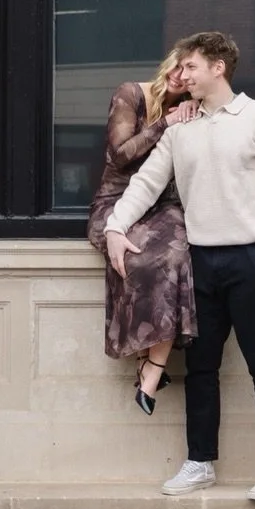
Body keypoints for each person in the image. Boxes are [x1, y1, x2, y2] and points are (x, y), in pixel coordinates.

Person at [105, 30, 255, 502]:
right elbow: (146, 183)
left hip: (252, 260)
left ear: (218, 67)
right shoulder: (180, 128)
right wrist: (115, 226)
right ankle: (199, 463)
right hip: (199, 261)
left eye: (191, 66)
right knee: (201, 369)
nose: (182, 75)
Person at [86, 46, 199, 413]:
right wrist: (164, 124)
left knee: (177, 254)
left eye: (188, 71)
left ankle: (154, 368)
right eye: (177, 66)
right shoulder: (131, 94)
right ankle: (143, 358)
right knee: (135, 257)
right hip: (116, 202)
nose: (180, 76)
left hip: (163, 205)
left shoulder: (191, 109)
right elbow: (119, 155)